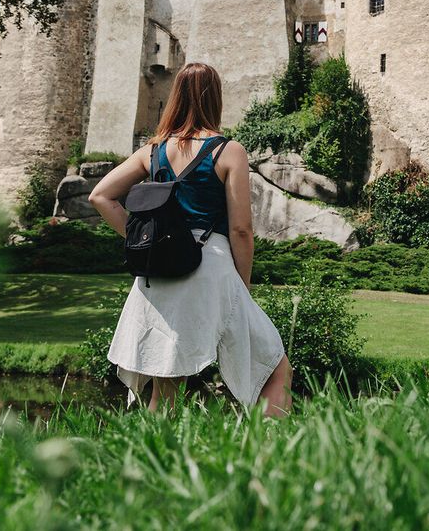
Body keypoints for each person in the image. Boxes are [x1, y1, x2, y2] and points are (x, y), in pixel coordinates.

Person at [88, 62, 293, 416]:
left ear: (176, 98)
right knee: (275, 368)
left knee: (165, 388)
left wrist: (145, 240)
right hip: (210, 266)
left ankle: (150, 451)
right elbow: (241, 230)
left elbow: (100, 196)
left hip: (159, 273)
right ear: (215, 99)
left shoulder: (152, 151)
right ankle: (274, 444)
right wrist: (243, 287)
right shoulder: (227, 151)